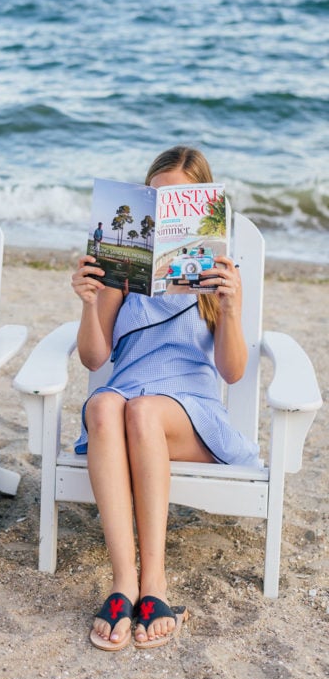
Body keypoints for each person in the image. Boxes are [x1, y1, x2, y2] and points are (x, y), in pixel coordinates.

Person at [71, 146, 258, 652]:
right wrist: (90, 304)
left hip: (188, 409)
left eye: (178, 199)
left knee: (142, 410)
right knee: (105, 405)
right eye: (156, 198)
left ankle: (154, 582)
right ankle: (123, 583)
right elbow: (93, 359)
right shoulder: (122, 269)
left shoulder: (215, 275)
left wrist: (231, 307)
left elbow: (233, 371)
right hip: (126, 395)